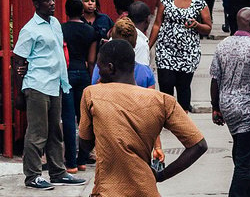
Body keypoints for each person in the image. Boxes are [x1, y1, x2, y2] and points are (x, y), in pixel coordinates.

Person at [80, 39, 207, 196]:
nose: (98, 73)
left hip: (107, 190)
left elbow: (85, 143)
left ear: (110, 68)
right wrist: (161, 175)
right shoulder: (162, 101)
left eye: (100, 68)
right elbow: (199, 146)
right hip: (145, 189)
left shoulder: (92, 94)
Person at [13, 0, 78, 189]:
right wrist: (19, 93)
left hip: (54, 84)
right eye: (47, 0)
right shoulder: (30, 29)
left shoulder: (55, 23)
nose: (52, 3)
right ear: (36, 4)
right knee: (37, 132)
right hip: (37, 85)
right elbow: (18, 60)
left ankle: (58, 172)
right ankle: (32, 176)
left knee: (54, 131)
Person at [210, 8, 250, 197]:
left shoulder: (223, 45)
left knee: (245, 155)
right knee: (245, 165)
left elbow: (215, 79)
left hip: (228, 108)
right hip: (249, 111)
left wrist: (216, 107)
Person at [150, 0, 211, 111]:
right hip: (165, 49)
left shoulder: (199, 3)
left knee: (183, 86)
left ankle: (183, 117)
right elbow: (157, 24)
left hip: (188, 52)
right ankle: (167, 115)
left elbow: (208, 27)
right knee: (166, 83)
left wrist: (197, 25)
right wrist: (148, 46)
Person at [60, 0, 99, 174]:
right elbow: (91, 60)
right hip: (83, 73)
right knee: (84, 117)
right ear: (82, 11)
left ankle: (71, 162)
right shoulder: (90, 31)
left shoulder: (60, 29)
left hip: (66, 73)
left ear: (66, 12)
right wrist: (92, 80)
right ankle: (83, 160)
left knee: (68, 118)